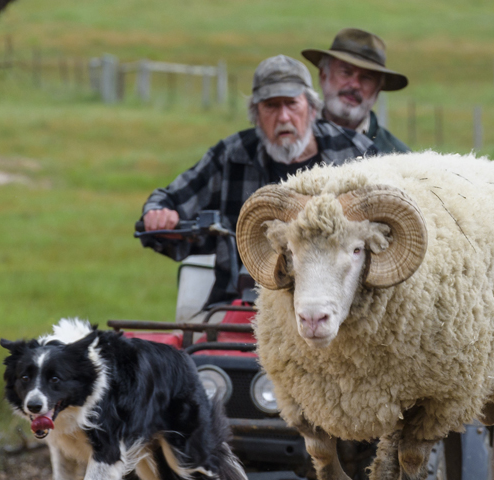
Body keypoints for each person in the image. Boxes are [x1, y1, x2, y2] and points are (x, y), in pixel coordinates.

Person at [139, 52, 407, 307]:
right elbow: (167, 200)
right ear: (256, 115)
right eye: (271, 106)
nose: (283, 117)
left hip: (333, 310)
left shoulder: (357, 155)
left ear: (312, 109)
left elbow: (393, 229)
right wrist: (158, 215)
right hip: (239, 307)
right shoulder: (230, 156)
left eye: (291, 104)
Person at [302, 28, 410, 155]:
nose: (355, 85)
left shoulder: (397, 157)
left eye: (366, 78)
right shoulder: (293, 140)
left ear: (378, 90)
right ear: (323, 75)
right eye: (346, 72)